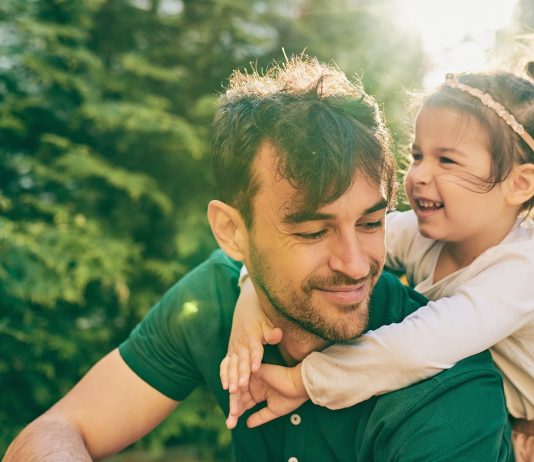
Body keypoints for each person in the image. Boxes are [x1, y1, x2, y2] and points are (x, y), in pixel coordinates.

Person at [4, 56, 512, 462]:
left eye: (371, 223)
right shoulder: (213, 299)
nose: (356, 264)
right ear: (232, 232)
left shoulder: (450, 394)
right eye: (313, 230)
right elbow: (57, 429)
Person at [220, 64, 534, 458]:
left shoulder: (523, 272)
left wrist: (304, 381)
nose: (419, 175)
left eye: (447, 161)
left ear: (520, 184)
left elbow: (414, 348)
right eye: (417, 155)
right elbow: (288, 239)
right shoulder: (427, 234)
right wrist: (251, 296)